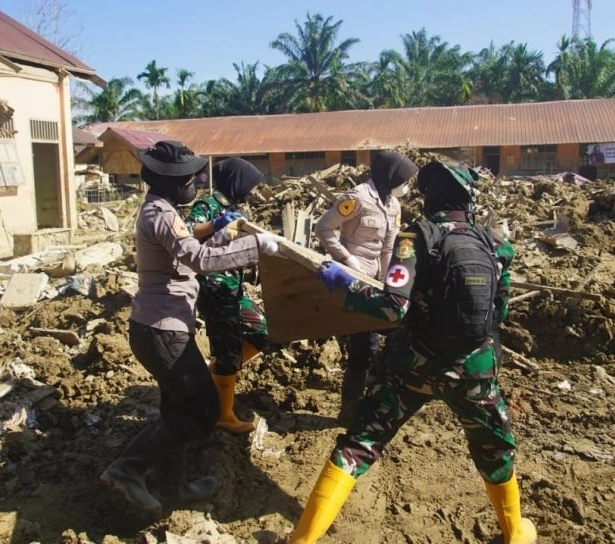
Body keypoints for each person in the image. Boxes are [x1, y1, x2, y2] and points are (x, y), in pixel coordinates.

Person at [289, 160, 536, 544]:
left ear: (429, 196)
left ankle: (301, 539)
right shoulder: (497, 245)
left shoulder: (415, 238)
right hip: (474, 371)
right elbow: (498, 313)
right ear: (469, 198)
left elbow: (392, 307)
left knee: (360, 443)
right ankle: (515, 533)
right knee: (494, 449)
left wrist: (345, 286)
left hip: (412, 369)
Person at [100, 141, 284, 515]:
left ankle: (174, 488)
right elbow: (198, 260)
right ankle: (127, 468)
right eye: (190, 177)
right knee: (201, 411)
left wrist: (222, 232)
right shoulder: (161, 214)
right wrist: (255, 248)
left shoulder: (162, 208)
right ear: (172, 181)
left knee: (177, 410)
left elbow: (187, 248)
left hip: (163, 326)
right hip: (161, 330)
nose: (196, 182)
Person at [312, 150, 418, 425]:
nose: (407, 187)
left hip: (378, 282)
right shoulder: (356, 198)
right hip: (354, 281)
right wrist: (347, 260)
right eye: (404, 180)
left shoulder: (393, 204)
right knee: (363, 345)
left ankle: (376, 401)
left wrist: (389, 281)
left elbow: (389, 247)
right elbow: (322, 228)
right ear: (390, 176)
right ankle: (350, 410)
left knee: (393, 338)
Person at [184, 158, 270, 434]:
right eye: (248, 184)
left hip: (233, 285)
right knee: (228, 348)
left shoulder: (235, 207)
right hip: (214, 286)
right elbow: (187, 233)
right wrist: (216, 224)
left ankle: (217, 375)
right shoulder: (208, 206)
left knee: (261, 332)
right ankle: (223, 413)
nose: (251, 191)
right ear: (236, 181)